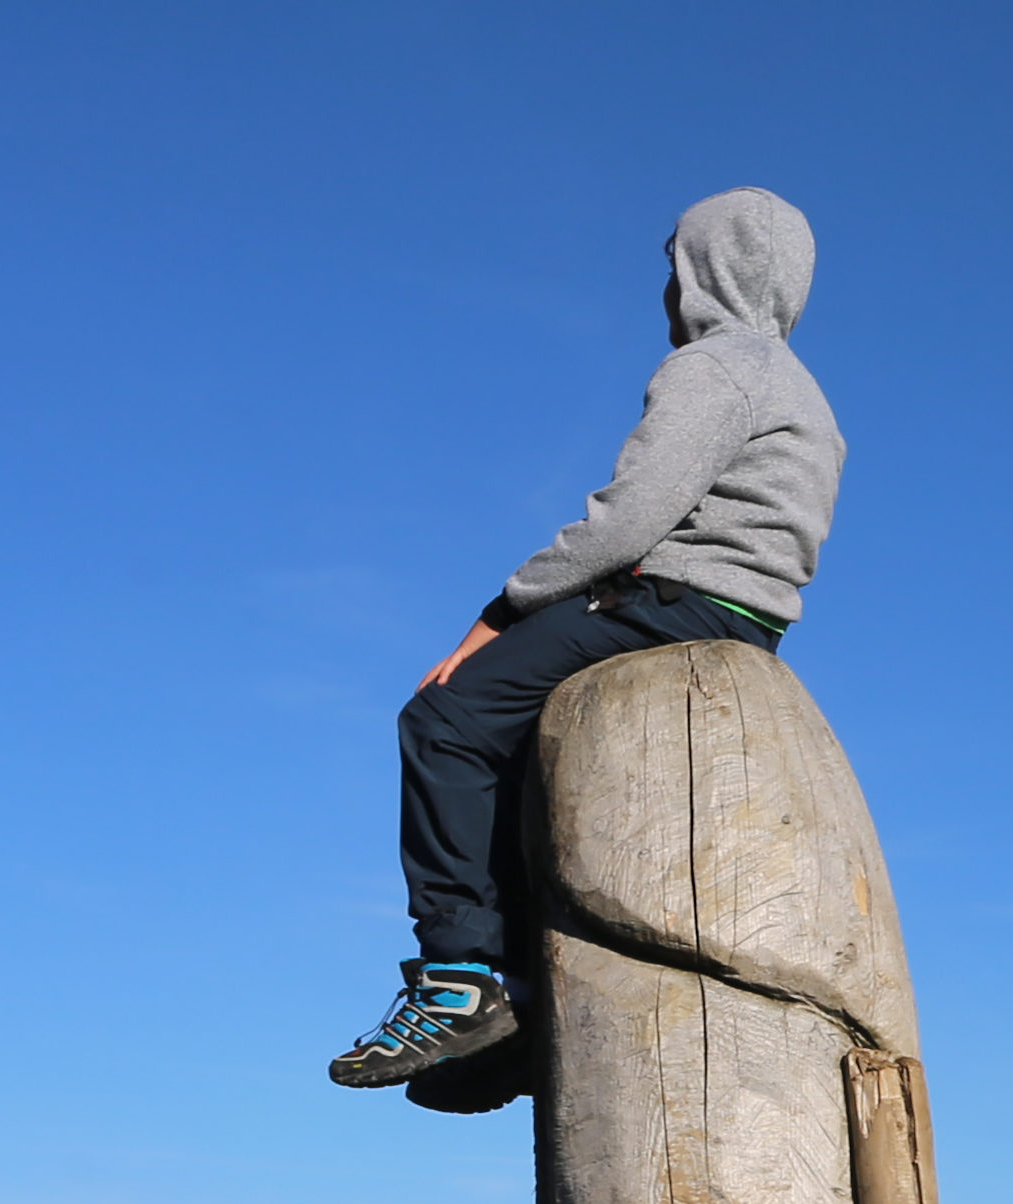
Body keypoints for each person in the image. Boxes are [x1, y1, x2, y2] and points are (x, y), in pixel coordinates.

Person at [330, 189, 849, 1091]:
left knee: (446, 720)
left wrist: (500, 614)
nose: (667, 289)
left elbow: (629, 518)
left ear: (702, 270)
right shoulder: (809, 395)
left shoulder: (716, 368)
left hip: (671, 598)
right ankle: (521, 1003)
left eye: (672, 267)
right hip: (750, 623)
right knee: (524, 753)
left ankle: (459, 981)